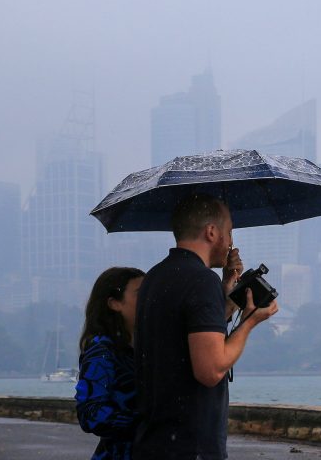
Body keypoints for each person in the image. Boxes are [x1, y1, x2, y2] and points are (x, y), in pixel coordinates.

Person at [132, 194, 279, 460]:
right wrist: (249, 321)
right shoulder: (201, 281)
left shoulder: (155, 276)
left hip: (154, 440)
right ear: (211, 232)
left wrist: (226, 296)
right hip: (191, 445)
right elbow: (210, 370)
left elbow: (186, 337)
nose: (231, 243)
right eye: (229, 232)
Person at [75, 266, 146, 460]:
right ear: (115, 303)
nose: (150, 299)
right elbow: (90, 413)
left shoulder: (149, 346)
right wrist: (146, 422)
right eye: (141, 293)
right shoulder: (102, 350)